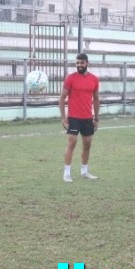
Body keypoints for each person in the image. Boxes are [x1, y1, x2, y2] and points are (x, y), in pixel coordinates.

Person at [59, 53, 100, 183]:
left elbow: (96, 99)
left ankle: (84, 171)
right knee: (72, 143)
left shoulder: (94, 79)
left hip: (88, 118)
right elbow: (61, 99)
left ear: (87, 63)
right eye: (77, 63)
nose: (79, 65)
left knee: (87, 145)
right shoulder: (71, 78)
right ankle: (66, 173)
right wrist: (63, 117)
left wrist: (96, 118)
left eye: (81, 63)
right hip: (74, 117)